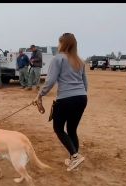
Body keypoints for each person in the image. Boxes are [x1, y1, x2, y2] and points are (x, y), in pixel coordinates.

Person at [33, 33, 88, 171]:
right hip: (81, 98)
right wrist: (80, 94)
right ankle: (73, 160)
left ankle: (75, 157)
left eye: (59, 43)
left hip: (66, 99)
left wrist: (40, 94)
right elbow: (85, 83)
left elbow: (50, 80)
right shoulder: (80, 61)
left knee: (58, 128)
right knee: (71, 130)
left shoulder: (58, 58)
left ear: (62, 44)